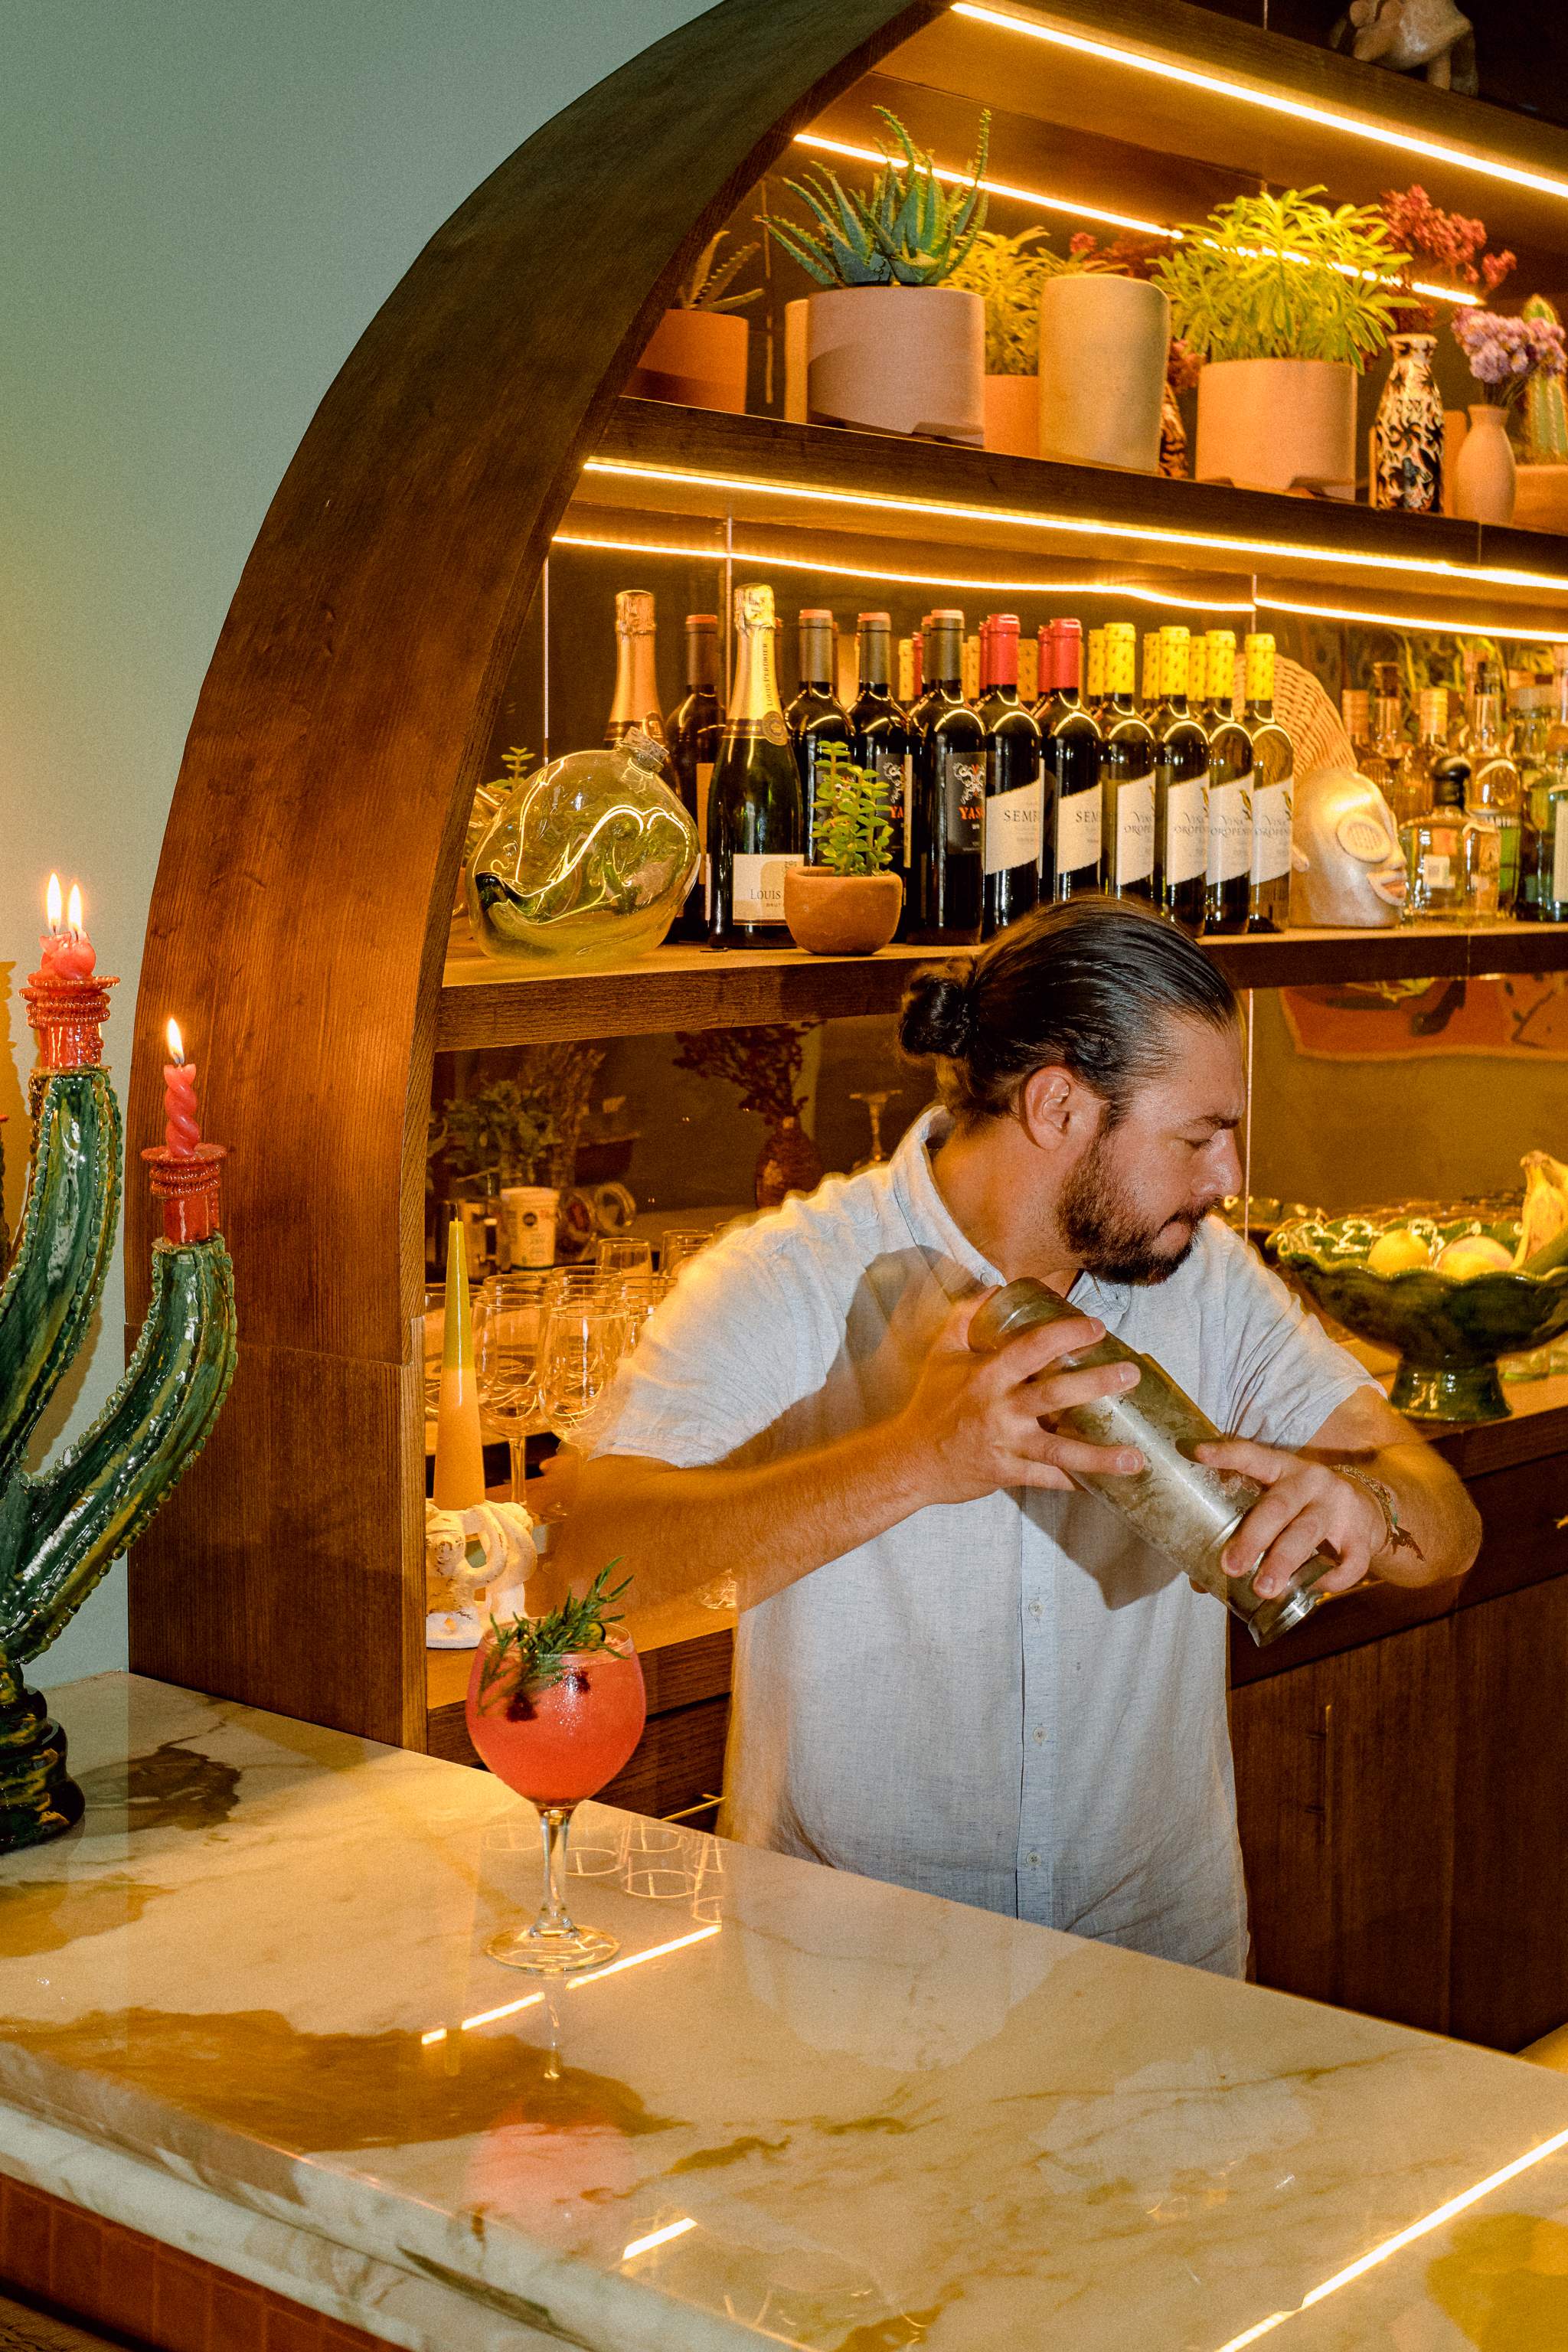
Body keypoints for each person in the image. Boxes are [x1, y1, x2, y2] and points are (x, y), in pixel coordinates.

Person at [547, 900, 1480, 1974]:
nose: (1228, 1178)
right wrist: (910, 1459)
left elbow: (1445, 1521)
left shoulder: (1212, 1282)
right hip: (848, 1988)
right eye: (1198, 1136)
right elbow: (583, 1570)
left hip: (1156, 1982)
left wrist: (1371, 1504)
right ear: (1057, 1106)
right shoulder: (788, 1278)